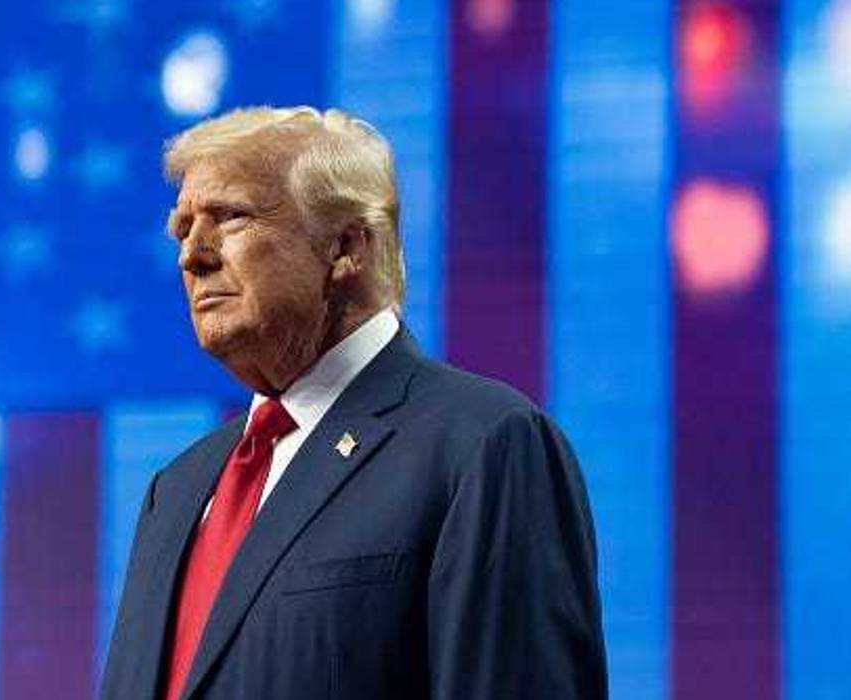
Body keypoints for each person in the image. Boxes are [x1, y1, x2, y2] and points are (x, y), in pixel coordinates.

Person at [100, 106, 607, 700]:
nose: (193, 256)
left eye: (230, 218)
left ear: (345, 246)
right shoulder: (177, 490)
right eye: (182, 230)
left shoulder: (481, 445)